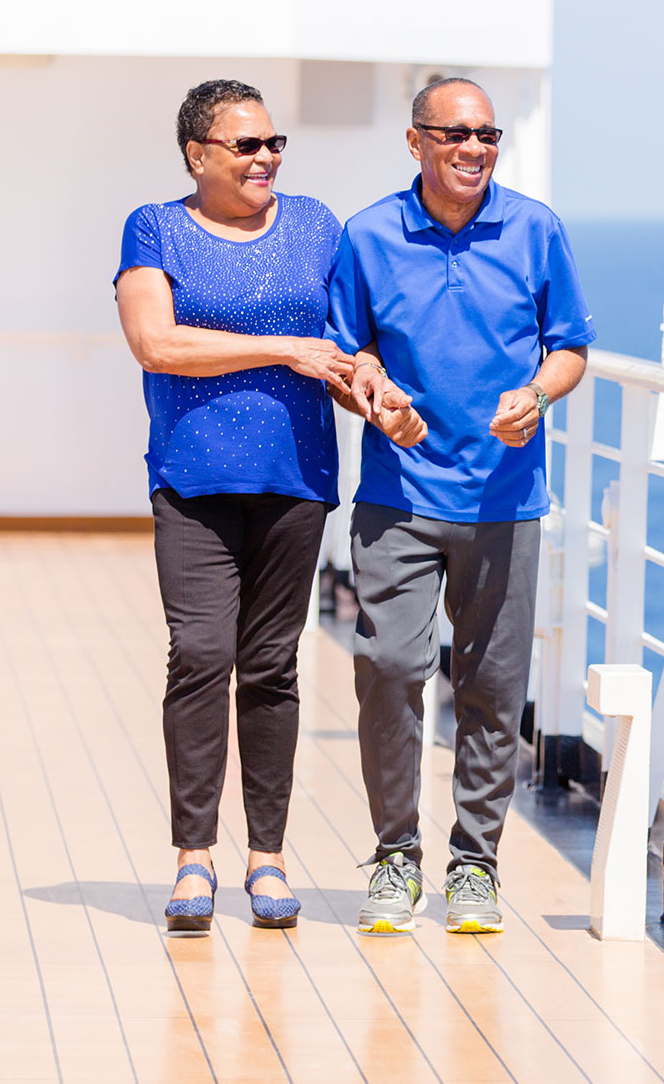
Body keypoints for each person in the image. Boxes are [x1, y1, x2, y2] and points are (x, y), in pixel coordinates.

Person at [114, 79, 417, 934]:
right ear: (198, 154)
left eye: (274, 143)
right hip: (192, 478)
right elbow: (155, 342)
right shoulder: (156, 227)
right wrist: (283, 345)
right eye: (245, 145)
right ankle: (193, 857)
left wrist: (379, 397)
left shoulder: (317, 225)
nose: (265, 158)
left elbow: (345, 351)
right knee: (202, 652)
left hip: (296, 477)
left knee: (273, 664)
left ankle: (268, 857)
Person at [329, 76, 595, 935]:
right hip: (395, 496)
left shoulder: (535, 229)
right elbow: (348, 354)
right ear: (416, 142)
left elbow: (569, 348)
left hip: (505, 499)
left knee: (490, 686)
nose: (474, 150)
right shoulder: (367, 235)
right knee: (392, 671)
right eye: (456, 135)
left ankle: (475, 864)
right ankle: (396, 856)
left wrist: (538, 395)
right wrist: (376, 396)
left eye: (487, 136)